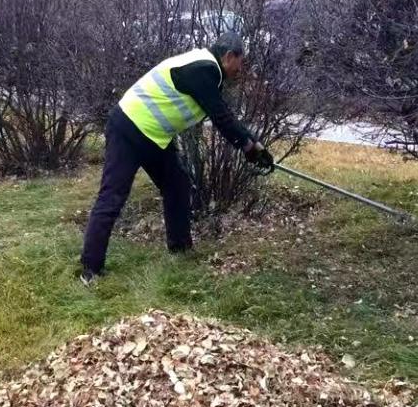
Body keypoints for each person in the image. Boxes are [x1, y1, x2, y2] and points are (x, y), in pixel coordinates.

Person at [79, 32, 273, 284]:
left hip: (153, 136)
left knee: (177, 184)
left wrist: (253, 144)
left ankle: (180, 250)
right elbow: (222, 117)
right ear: (228, 57)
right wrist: (249, 148)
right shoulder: (205, 70)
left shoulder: (204, 68)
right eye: (240, 61)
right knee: (112, 196)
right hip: (128, 128)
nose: (240, 69)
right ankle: (90, 269)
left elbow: (221, 112)